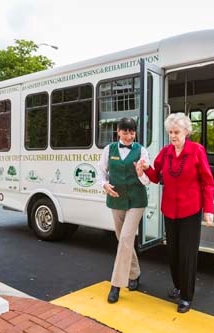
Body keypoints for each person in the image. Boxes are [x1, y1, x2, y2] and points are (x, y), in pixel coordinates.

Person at [136, 112, 214, 313]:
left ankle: (187, 296)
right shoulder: (166, 152)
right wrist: (145, 168)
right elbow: (155, 176)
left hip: (191, 209)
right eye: (170, 132)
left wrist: (209, 210)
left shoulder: (197, 150)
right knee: (173, 253)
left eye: (177, 132)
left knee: (187, 254)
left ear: (186, 132)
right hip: (170, 210)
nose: (173, 136)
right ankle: (178, 286)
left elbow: (208, 182)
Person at [97, 117, 151, 304]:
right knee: (123, 239)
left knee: (127, 238)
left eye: (132, 132)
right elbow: (101, 172)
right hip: (116, 200)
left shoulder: (141, 151)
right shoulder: (108, 150)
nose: (129, 136)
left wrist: (141, 173)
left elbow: (147, 181)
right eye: (125, 132)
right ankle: (135, 273)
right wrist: (104, 185)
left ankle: (116, 285)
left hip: (137, 201)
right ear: (118, 132)